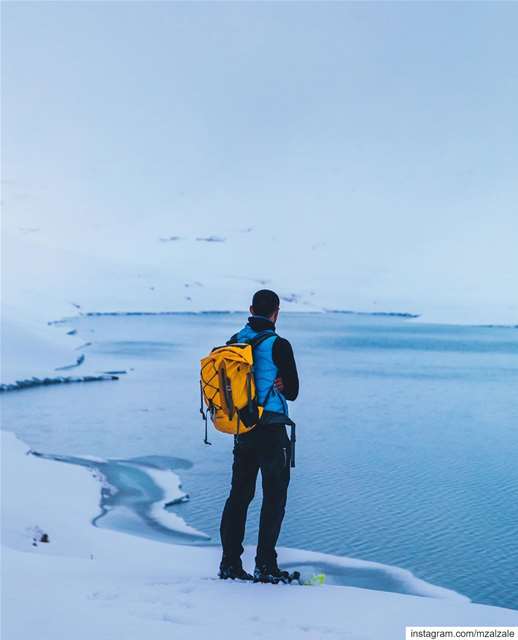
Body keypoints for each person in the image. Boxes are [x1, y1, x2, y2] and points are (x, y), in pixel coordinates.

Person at [219, 289, 299, 582]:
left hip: (242, 428)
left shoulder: (235, 342)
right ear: (277, 313)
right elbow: (293, 391)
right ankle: (265, 564)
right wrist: (280, 382)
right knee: (274, 496)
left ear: (250, 309)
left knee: (239, 496)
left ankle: (229, 563)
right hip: (271, 428)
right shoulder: (279, 345)